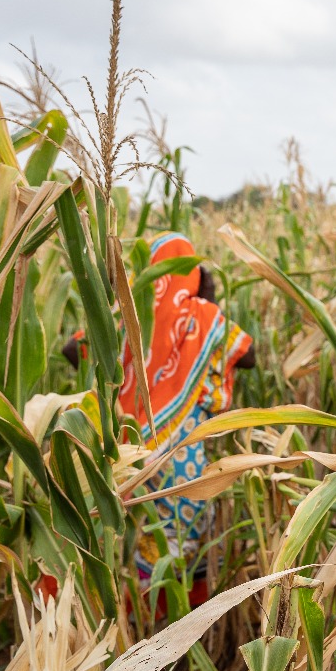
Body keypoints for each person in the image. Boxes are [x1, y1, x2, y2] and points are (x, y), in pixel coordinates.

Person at [66, 231, 255, 595]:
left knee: (139, 536)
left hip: (129, 452)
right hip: (182, 455)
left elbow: (71, 350)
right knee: (186, 538)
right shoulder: (202, 316)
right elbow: (249, 355)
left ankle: (139, 628)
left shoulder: (127, 313)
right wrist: (207, 300)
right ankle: (186, 633)